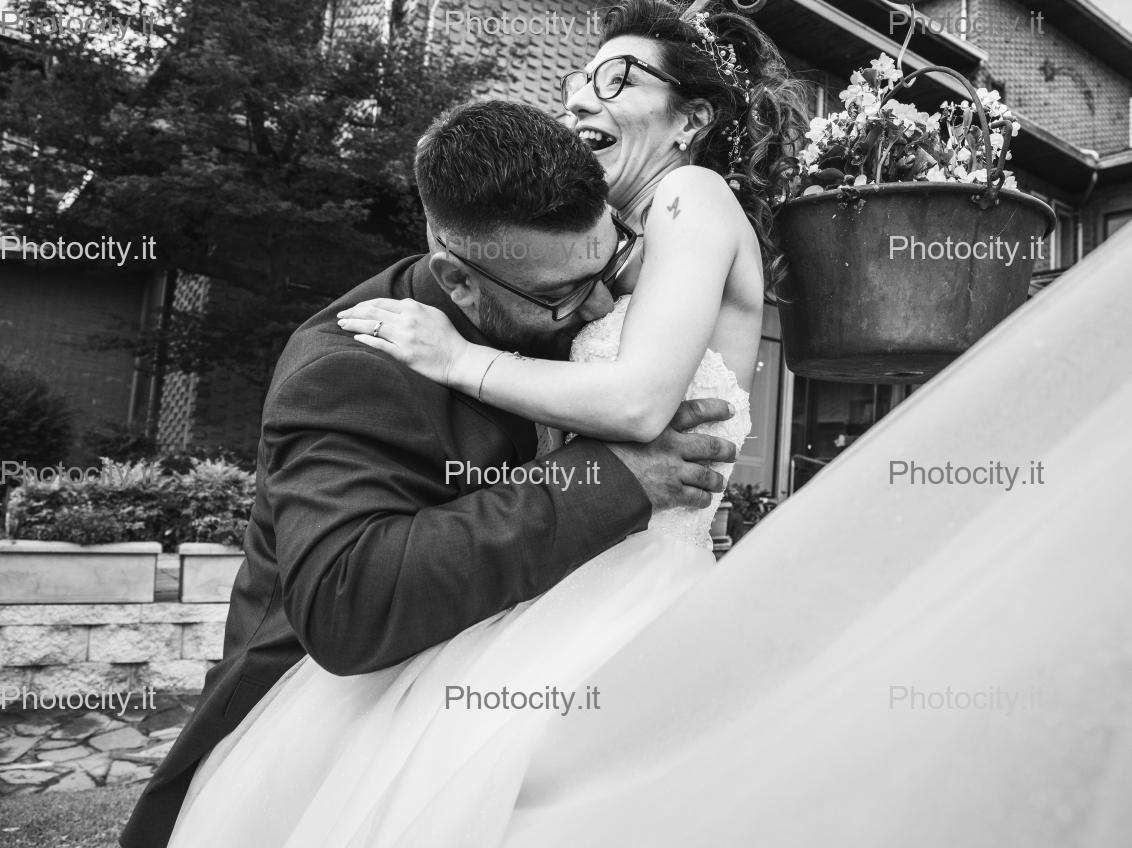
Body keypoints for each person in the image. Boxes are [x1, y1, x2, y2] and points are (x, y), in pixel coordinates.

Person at [159, 1, 807, 845]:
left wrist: (469, 362)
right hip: (388, 666)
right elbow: (353, 602)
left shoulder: (682, 205)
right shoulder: (354, 365)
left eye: (620, 78)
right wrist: (610, 477)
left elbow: (642, 402)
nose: (599, 305)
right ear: (461, 280)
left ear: (692, 121)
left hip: (622, 587)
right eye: (584, 75)